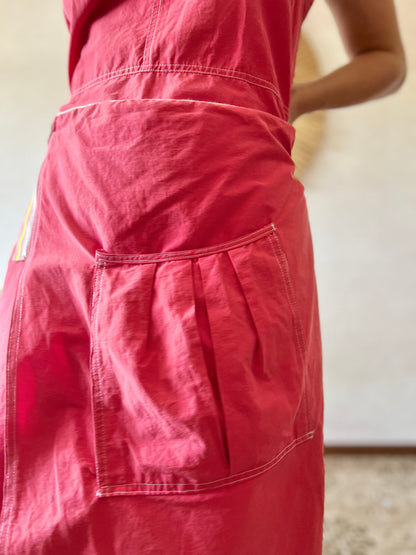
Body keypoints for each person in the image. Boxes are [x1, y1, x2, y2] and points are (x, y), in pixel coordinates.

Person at [0, 0, 406, 553]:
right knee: (55, 460)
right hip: (74, 201)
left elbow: (384, 58)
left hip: (220, 192)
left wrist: (295, 97)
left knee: (223, 476)